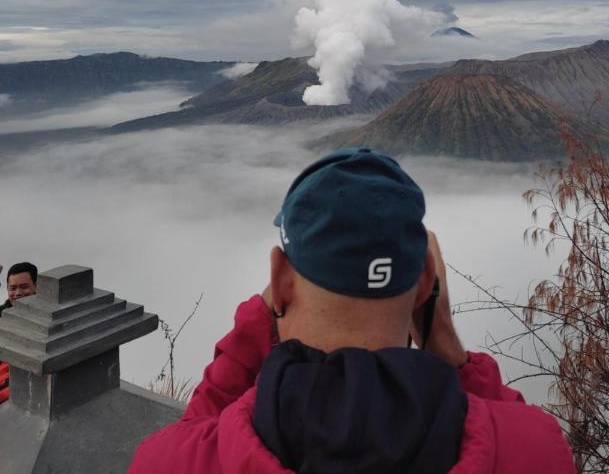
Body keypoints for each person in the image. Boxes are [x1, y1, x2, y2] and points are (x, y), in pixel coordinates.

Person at [129, 149, 576, 473]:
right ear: (425, 284)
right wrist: (446, 345)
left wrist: (259, 319)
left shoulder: (170, 461)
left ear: (280, 280)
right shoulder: (537, 450)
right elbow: (505, 429)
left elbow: (201, 430)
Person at [0, 261, 38, 405]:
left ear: (36, 286)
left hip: (28, 374)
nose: (18, 293)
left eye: (24, 287)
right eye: (13, 288)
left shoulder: (47, 316)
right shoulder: (1, 314)